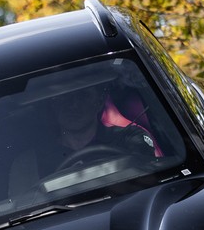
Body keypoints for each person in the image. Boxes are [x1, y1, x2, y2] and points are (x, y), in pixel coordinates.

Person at [8, 80, 156, 198]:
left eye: (83, 96)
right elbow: (24, 213)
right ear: (53, 106)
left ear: (99, 102)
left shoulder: (129, 139)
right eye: (63, 98)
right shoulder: (28, 163)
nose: (73, 105)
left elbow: (150, 186)